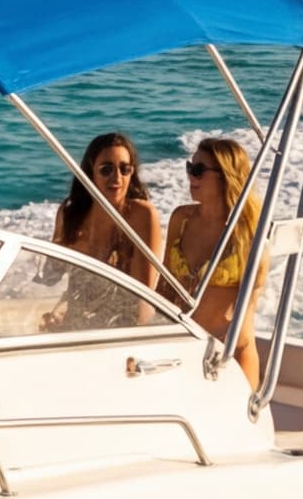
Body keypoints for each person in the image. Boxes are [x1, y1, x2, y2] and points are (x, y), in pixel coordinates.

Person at [161, 137, 268, 361]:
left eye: (199, 170)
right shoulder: (181, 218)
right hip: (180, 345)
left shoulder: (249, 233)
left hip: (228, 352)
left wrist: (224, 346)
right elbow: (164, 287)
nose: (190, 176)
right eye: (190, 167)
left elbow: (249, 303)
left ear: (225, 176)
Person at [54, 132, 164, 284]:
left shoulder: (141, 214)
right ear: (90, 173)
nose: (117, 177)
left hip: (125, 308)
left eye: (125, 169)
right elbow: (52, 276)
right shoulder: (70, 213)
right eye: (106, 170)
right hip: (75, 306)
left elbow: (145, 291)